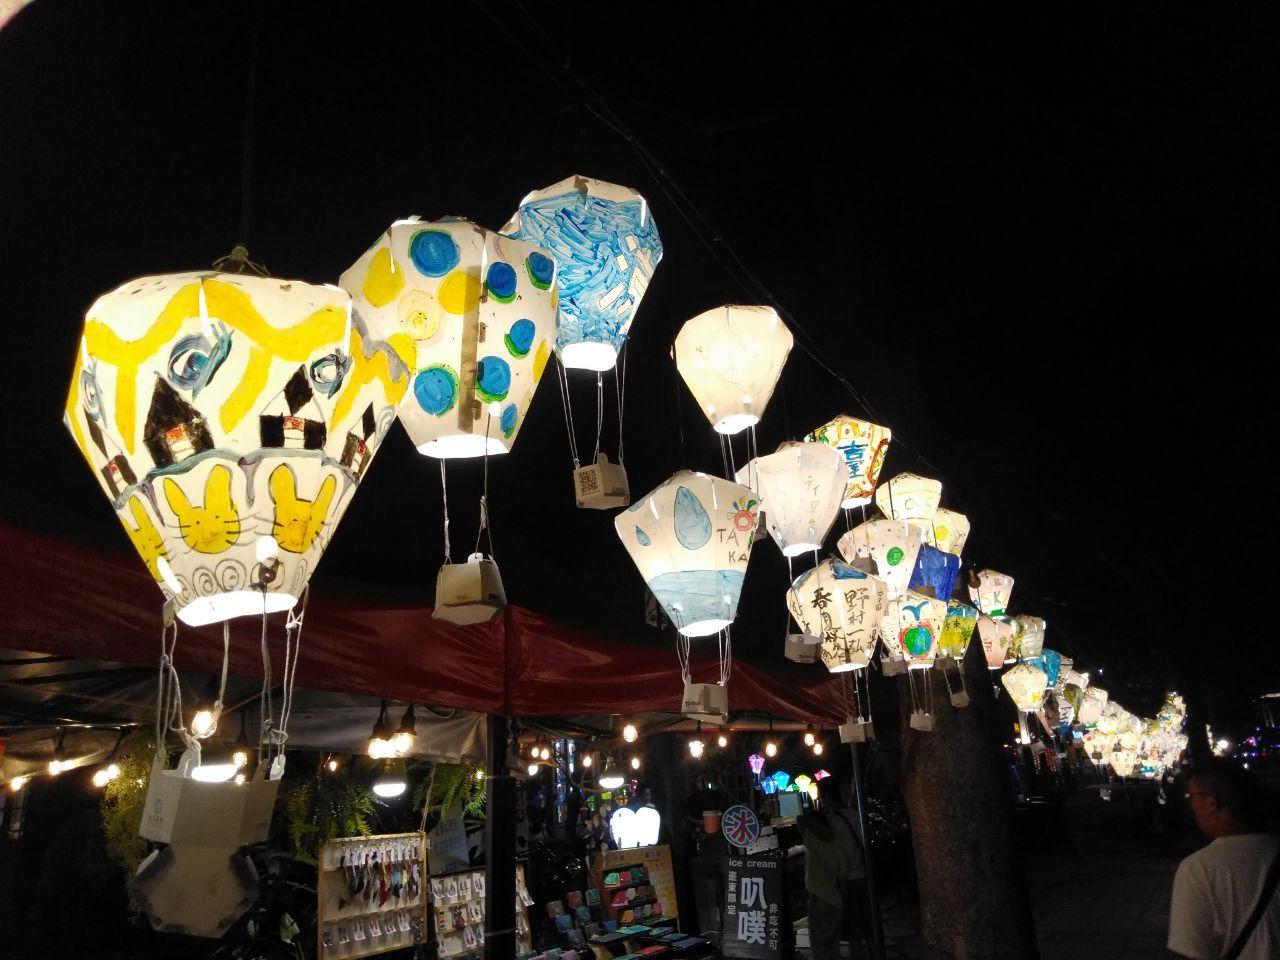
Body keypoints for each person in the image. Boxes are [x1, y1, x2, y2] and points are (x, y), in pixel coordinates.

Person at [1168, 758, 1280, 960]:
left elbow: (1192, 952)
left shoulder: (1199, 869)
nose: (1191, 805)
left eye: (1191, 796)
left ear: (1212, 803)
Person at [798, 777, 862, 960]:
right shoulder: (839, 850)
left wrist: (820, 828)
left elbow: (800, 820)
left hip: (820, 900)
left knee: (819, 942)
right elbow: (842, 882)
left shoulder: (813, 843)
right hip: (840, 897)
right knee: (839, 939)